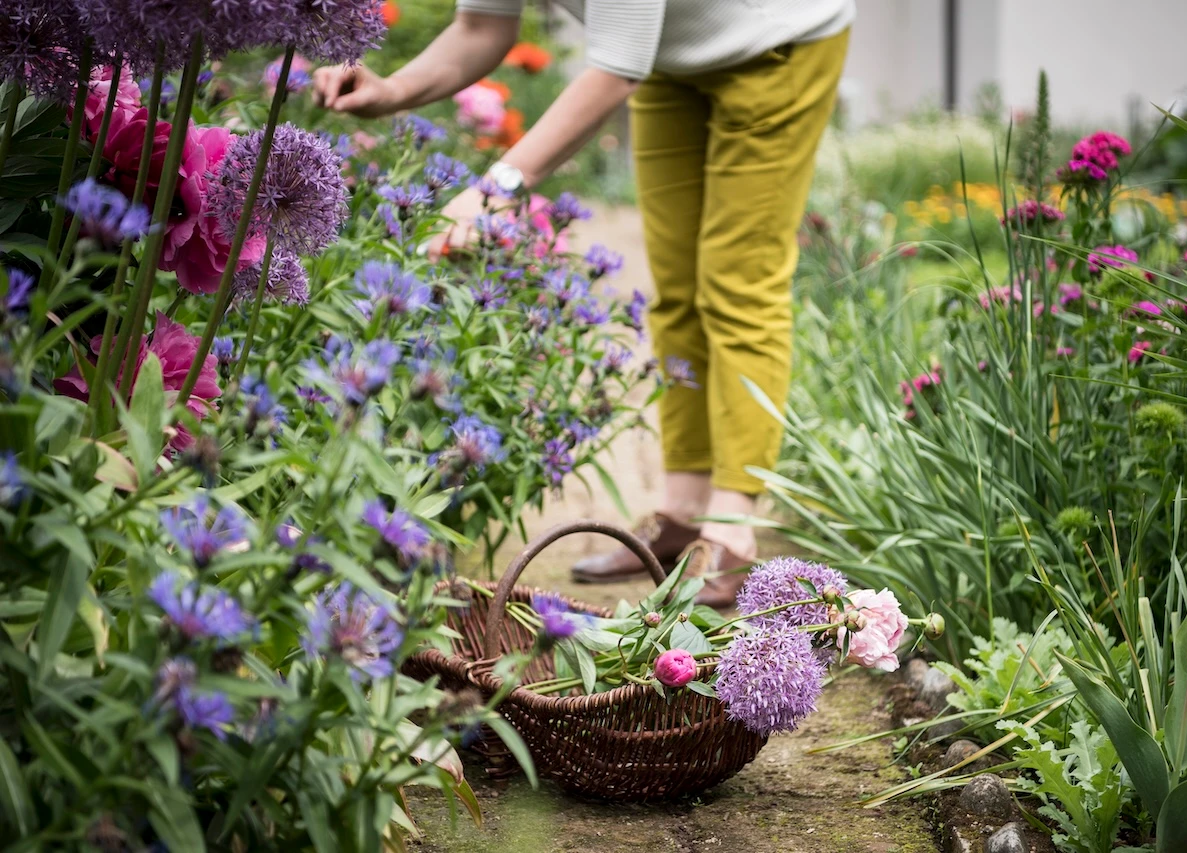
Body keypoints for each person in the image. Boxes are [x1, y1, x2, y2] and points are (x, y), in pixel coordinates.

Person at [315, 0, 854, 608]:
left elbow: (616, 69)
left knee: (737, 286)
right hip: (667, 58)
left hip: (775, 42)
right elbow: (483, 26)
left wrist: (496, 190)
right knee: (677, 290)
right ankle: (681, 511)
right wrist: (392, 89)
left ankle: (733, 529)